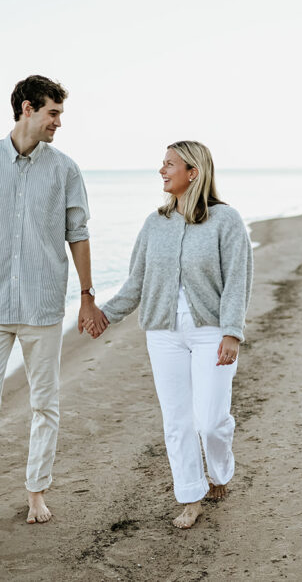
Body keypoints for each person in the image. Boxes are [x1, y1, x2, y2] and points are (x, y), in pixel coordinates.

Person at [0, 75, 109, 540]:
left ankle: (36, 492)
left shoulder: (65, 169)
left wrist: (87, 295)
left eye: (60, 115)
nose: (59, 123)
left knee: (45, 405)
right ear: (27, 108)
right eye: (53, 113)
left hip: (42, 305)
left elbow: (78, 233)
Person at [91, 140, 253, 529]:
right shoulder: (155, 223)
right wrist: (105, 315)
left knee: (211, 420)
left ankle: (219, 471)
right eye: (161, 164)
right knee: (177, 420)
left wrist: (232, 333)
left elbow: (237, 282)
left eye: (169, 165)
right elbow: (137, 281)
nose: (161, 171)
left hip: (211, 331)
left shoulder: (226, 221)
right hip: (163, 332)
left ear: (192, 172)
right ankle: (190, 495)